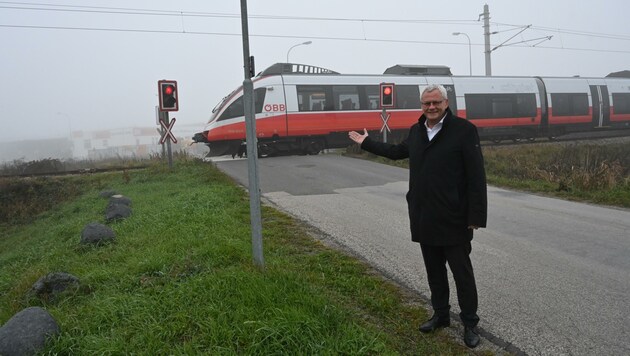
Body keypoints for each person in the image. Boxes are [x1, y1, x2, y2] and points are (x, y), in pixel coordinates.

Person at [348, 84, 487, 348]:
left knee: (462, 274)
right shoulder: (417, 131)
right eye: (426, 104)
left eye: (436, 103)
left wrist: (476, 217)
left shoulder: (464, 131)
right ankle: (441, 315)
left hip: (455, 218)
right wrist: (366, 142)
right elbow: (396, 152)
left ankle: (469, 323)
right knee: (434, 272)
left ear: (446, 103)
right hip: (425, 215)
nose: (431, 108)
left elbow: (477, 177)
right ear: (421, 106)